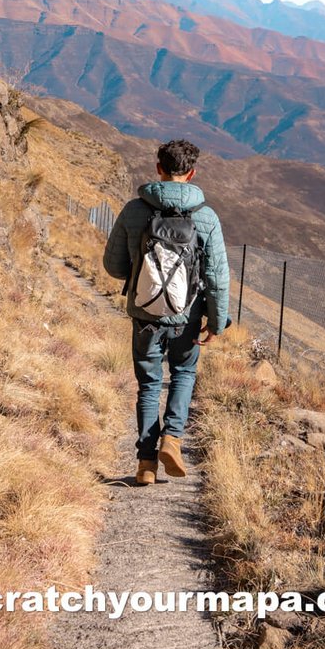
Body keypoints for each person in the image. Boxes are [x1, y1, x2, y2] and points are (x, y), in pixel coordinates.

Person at [102, 139, 231, 486]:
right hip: (187, 317)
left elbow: (113, 266)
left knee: (148, 384)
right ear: (192, 172)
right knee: (184, 374)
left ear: (158, 168)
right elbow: (217, 279)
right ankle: (172, 439)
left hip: (145, 315)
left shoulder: (134, 210)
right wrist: (217, 322)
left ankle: (145, 462)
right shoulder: (206, 217)